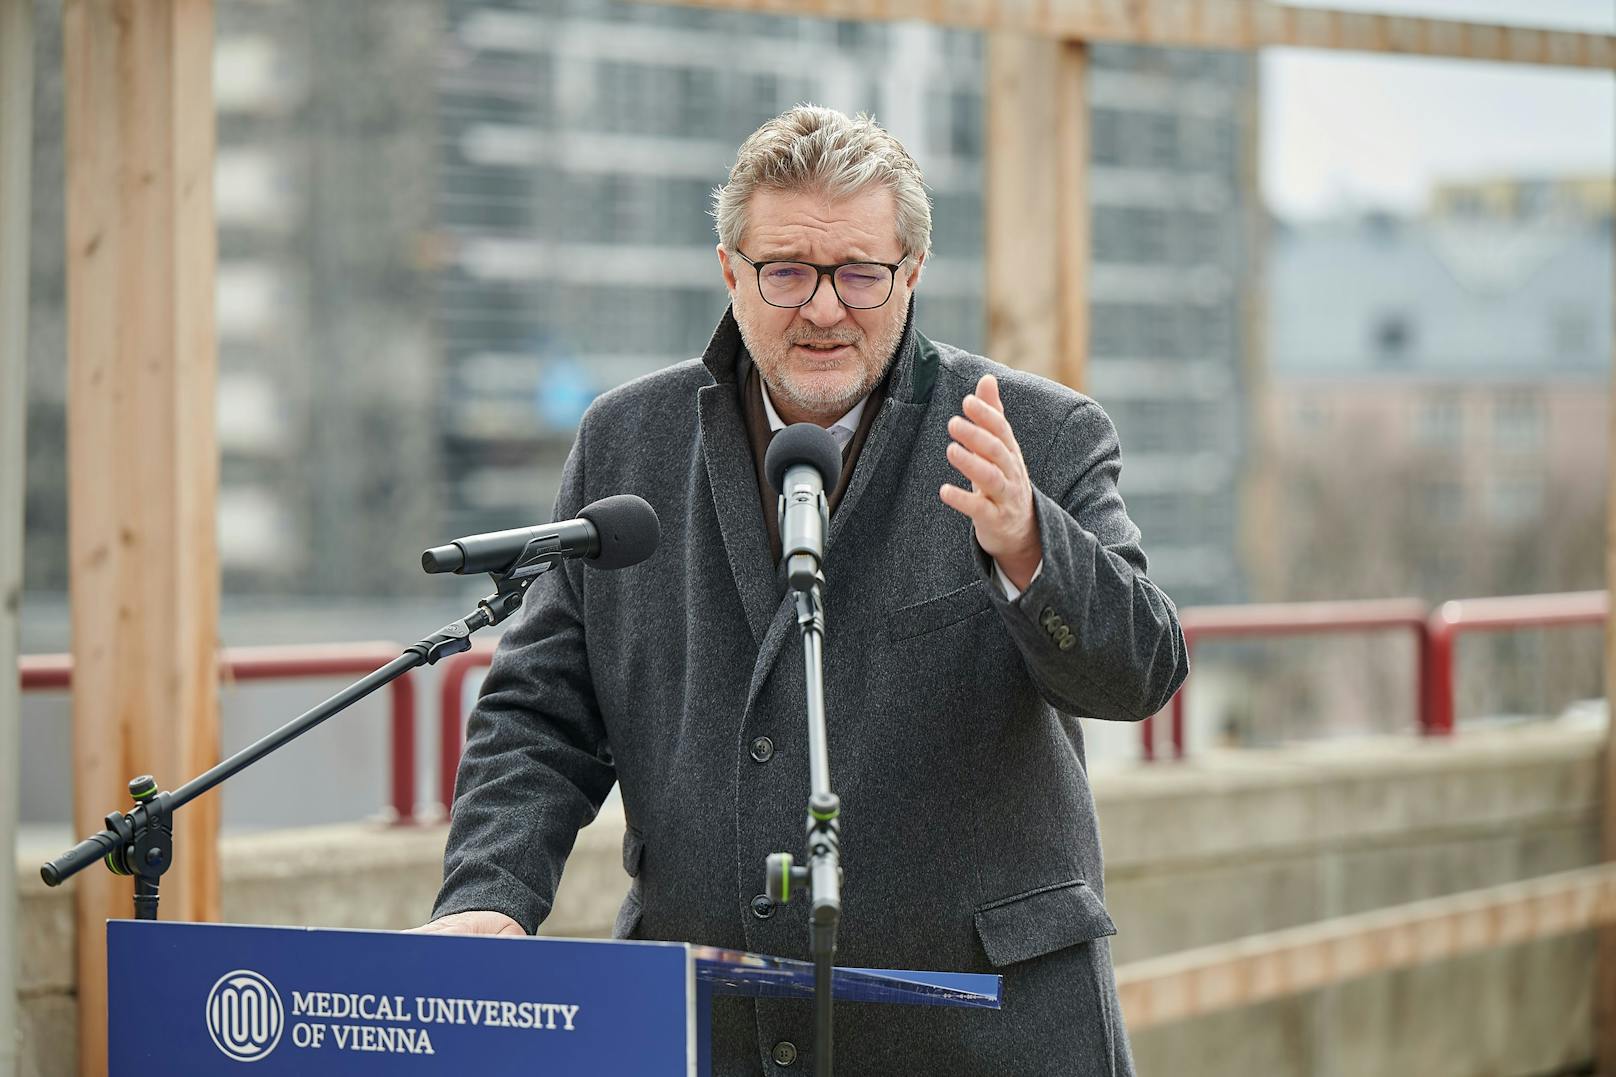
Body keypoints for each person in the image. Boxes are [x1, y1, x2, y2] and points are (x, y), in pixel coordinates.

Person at [419, 105, 1188, 1076]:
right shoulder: (625, 445)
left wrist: (1031, 543)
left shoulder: (1034, 431)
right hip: (707, 1029)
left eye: (859, 273)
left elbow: (1140, 675)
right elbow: (540, 712)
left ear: (910, 274)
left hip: (984, 1038)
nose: (823, 308)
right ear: (729, 272)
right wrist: (488, 893)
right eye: (785, 270)